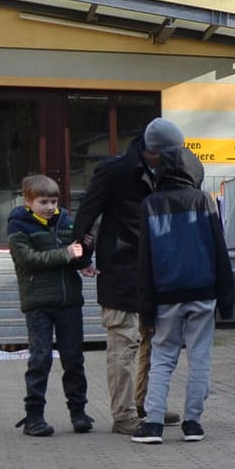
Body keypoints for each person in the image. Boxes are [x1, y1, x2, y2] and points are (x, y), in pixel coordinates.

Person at [71, 117, 204, 435]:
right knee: (124, 341)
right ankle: (124, 414)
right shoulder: (113, 171)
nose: (176, 158)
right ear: (152, 150)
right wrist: (82, 257)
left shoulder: (179, 171)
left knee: (154, 341)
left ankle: (146, 404)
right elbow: (87, 214)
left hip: (160, 270)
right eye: (170, 153)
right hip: (120, 268)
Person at [128, 119, 235, 446]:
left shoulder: (149, 205)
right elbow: (220, 250)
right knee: (200, 358)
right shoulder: (203, 201)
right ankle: (193, 424)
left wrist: (144, 308)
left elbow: (144, 262)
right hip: (203, 292)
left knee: (162, 359)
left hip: (164, 297)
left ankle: (154, 425)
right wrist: (227, 299)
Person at [7, 175, 93, 437]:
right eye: (43, 201)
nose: (49, 207)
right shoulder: (18, 226)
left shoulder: (65, 222)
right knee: (40, 359)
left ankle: (79, 413)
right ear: (28, 201)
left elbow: (75, 257)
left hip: (69, 302)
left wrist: (86, 253)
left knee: (74, 359)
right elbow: (28, 260)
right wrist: (66, 254)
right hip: (38, 303)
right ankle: (34, 417)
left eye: (53, 201)